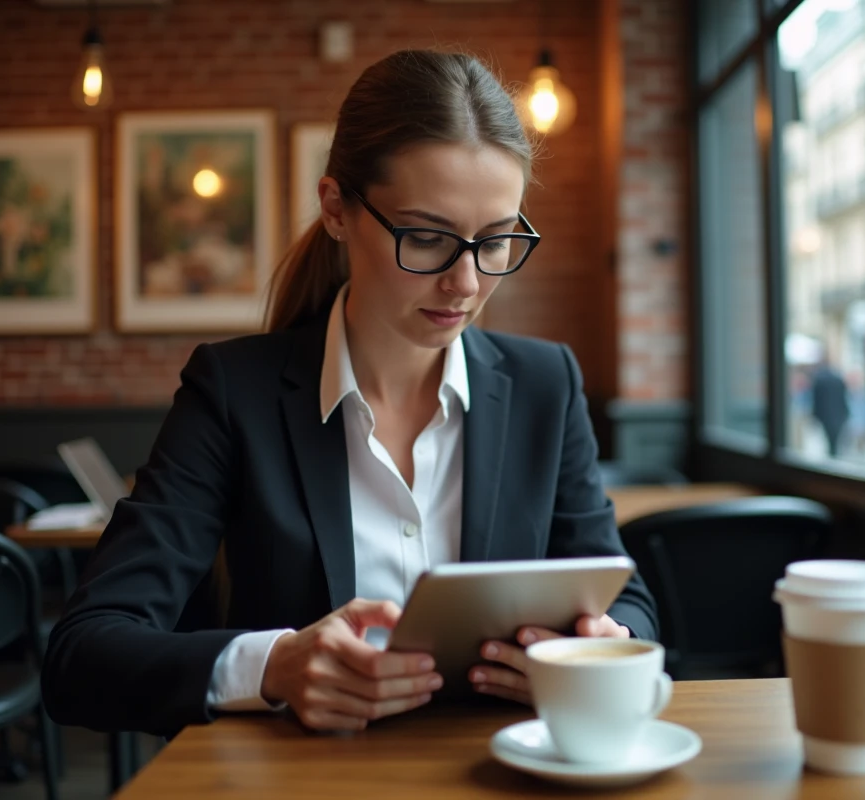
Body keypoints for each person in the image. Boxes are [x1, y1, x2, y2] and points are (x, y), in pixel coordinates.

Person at [42, 50, 657, 738]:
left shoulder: (547, 384)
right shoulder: (232, 392)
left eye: (495, 240)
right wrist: (274, 666)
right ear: (337, 208)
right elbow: (82, 654)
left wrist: (597, 640)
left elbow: (623, 596)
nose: (466, 282)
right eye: (426, 238)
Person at [811, 359, 850, 458]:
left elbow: (816, 400)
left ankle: (832, 457)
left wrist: (815, 415)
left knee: (830, 441)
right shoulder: (838, 379)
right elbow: (844, 397)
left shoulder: (819, 380)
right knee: (835, 441)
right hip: (839, 415)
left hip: (826, 416)